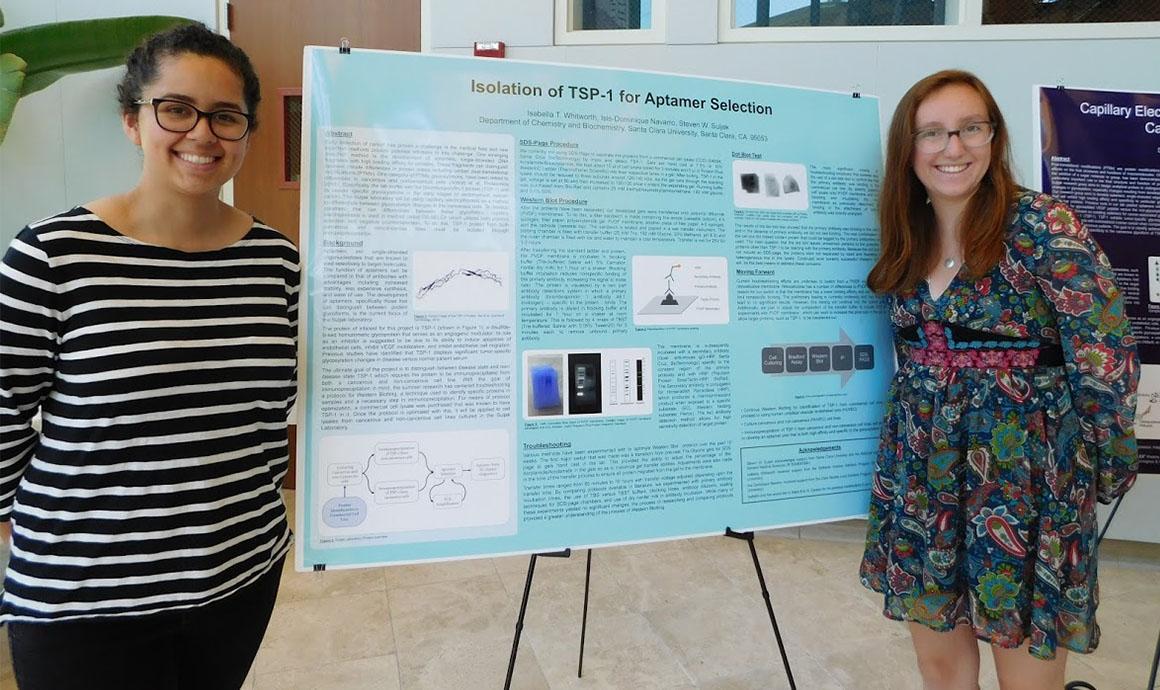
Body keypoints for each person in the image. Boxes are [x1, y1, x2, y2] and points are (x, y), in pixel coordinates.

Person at [0, 23, 297, 689]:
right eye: (176, 109)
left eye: (226, 117)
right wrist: (12, 519)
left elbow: (269, 412)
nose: (202, 134)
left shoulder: (275, 260)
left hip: (239, 575)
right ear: (133, 121)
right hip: (84, 601)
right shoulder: (53, 255)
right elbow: (3, 405)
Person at [860, 69, 1138, 690]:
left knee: (1027, 677)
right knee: (941, 668)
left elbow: (1105, 357)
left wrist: (1107, 464)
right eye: (931, 133)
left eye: (969, 128)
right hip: (926, 477)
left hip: (1026, 481)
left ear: (994, 136)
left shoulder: (1043, 227)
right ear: (908, 149)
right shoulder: (905, 236)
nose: (952, 148)